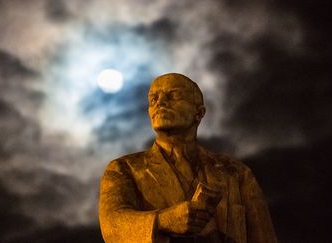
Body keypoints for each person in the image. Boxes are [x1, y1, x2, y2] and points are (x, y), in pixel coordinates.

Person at [99, 73, 277, 243]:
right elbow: (112, 226)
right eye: (154, 99)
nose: (160, 103)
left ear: (199, 113)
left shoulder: (237, 173)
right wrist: (163, 221)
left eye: (174, 95)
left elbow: (263, 237)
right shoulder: (123, 169)